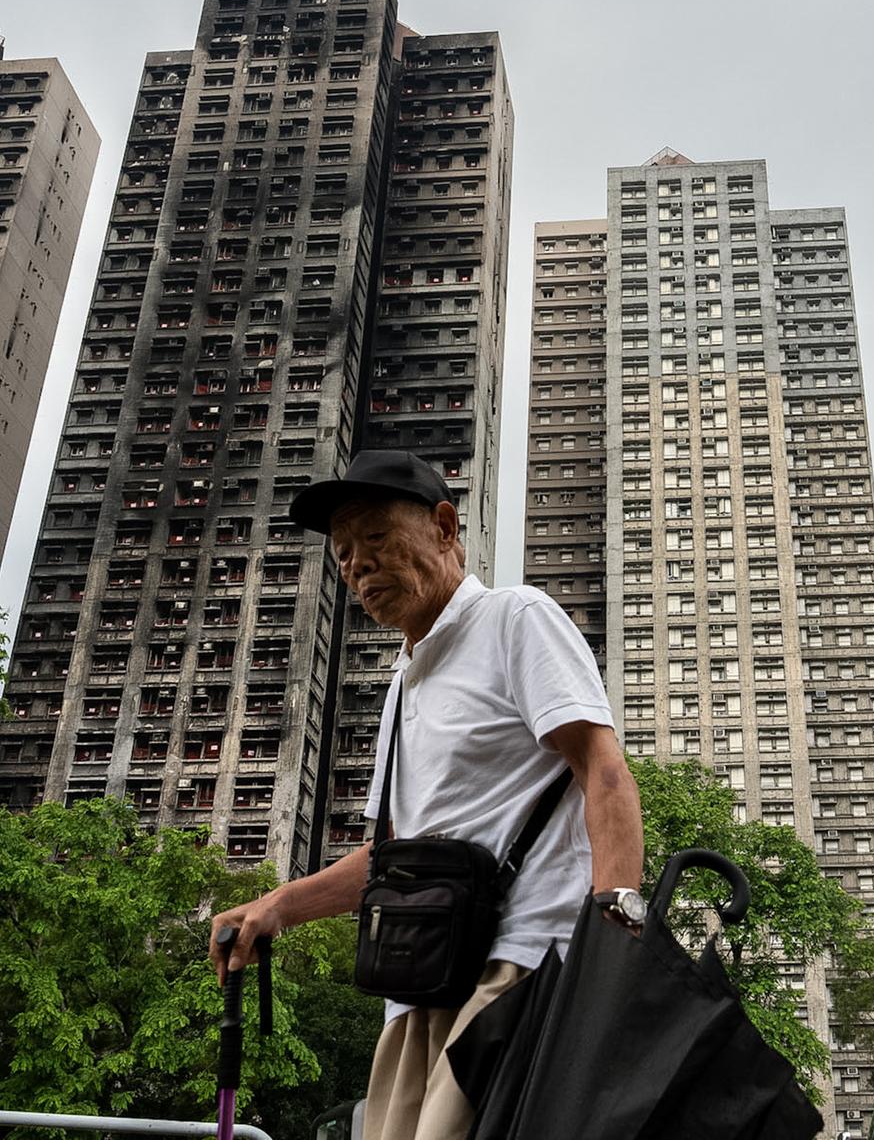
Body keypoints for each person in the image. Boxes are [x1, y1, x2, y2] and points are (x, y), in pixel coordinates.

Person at [210, 449, 645, 1140]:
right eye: (344, 553)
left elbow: (604, 771)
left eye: (375, 539)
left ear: (444, 527)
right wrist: (276, 907)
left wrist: (618, 937)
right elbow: (392, 858)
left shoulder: (515, 619)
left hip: (522, 965)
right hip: (419, 983)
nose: (356, 567)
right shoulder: (401, 686)